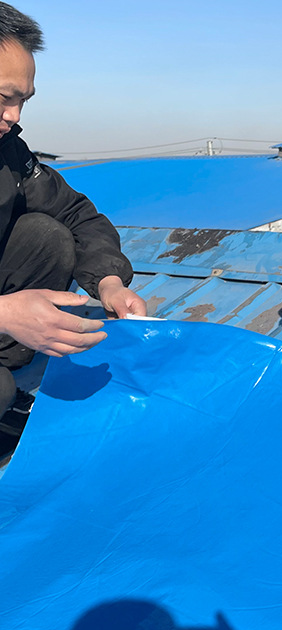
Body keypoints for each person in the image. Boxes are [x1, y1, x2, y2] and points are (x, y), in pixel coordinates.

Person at [0, 3, 145, 423]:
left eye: (22, 101)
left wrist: (109, 283)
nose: (14, 116)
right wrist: (7, 313)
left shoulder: (7, 152)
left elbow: (77, 213)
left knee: (46, 234)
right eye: (3, 98)